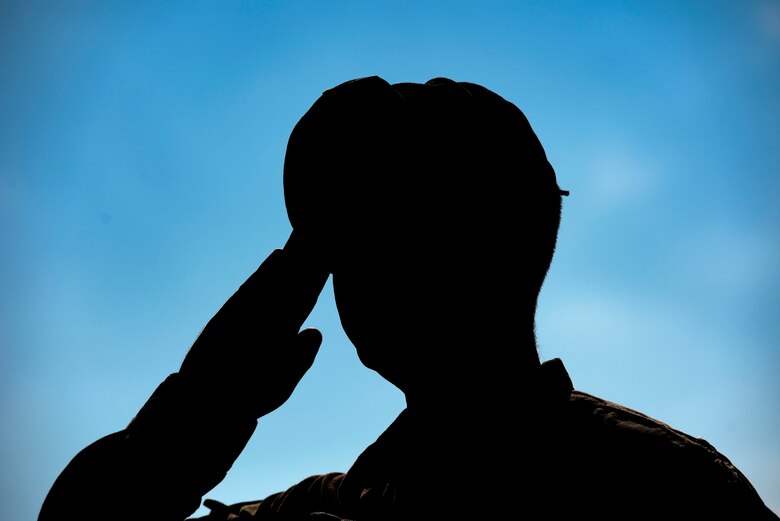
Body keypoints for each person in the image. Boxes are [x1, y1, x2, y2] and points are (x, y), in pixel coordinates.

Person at [38, 76, 778, 520]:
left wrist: (202, 402)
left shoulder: (661, 492)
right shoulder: (330, 505)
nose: (350, 274)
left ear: (508, 243)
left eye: (395, 228)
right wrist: (203, 403)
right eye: (338, 246)